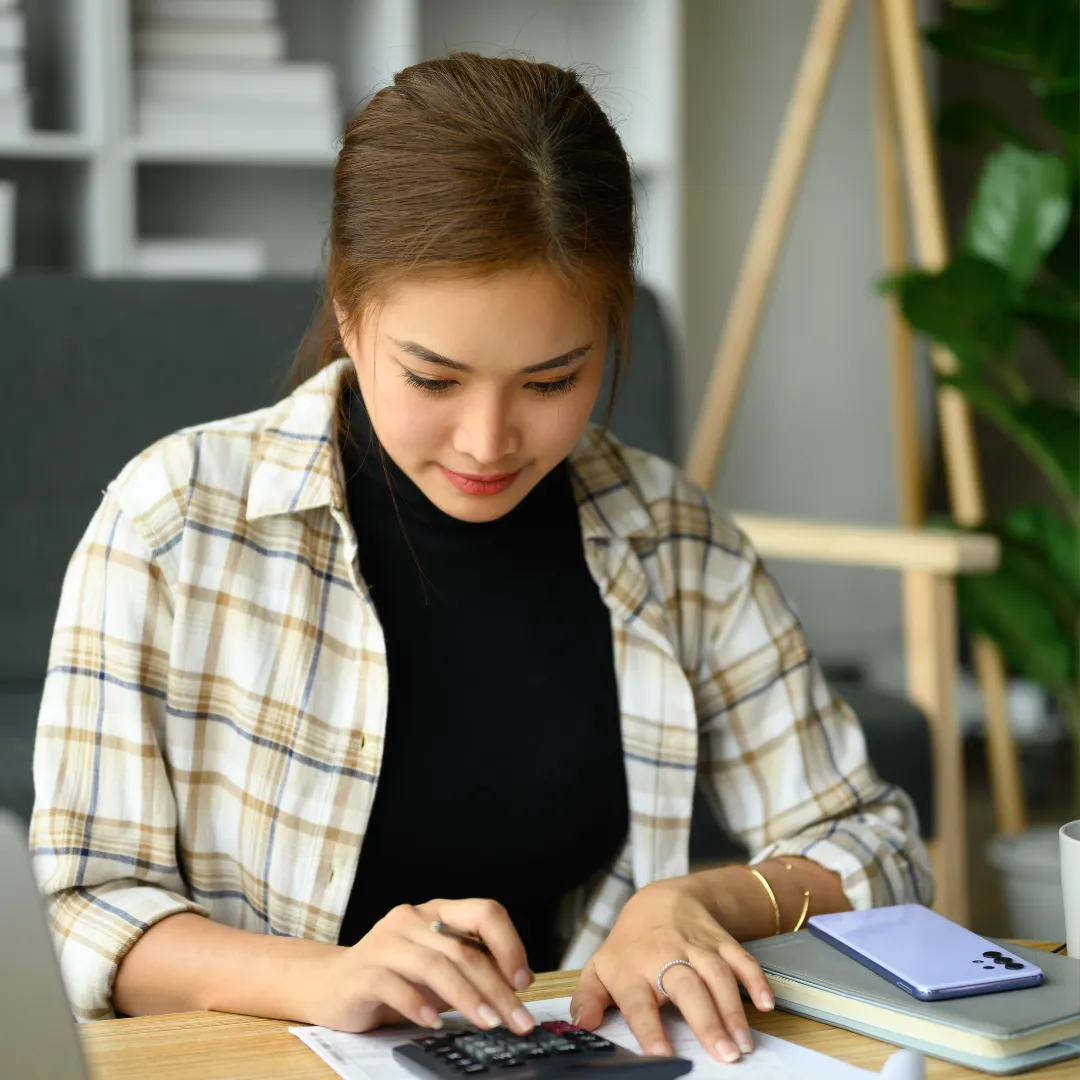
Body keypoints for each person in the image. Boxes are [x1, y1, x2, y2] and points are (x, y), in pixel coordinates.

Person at [30, 53, 931, 1065]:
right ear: (346, 300)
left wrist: (700, 900)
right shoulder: (176, 521)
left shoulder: (675, 543)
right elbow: (77, 906)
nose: (488, 442)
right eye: (434, 377)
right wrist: (321, 978)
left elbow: (880, 845)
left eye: (553, 379)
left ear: (612, 325)